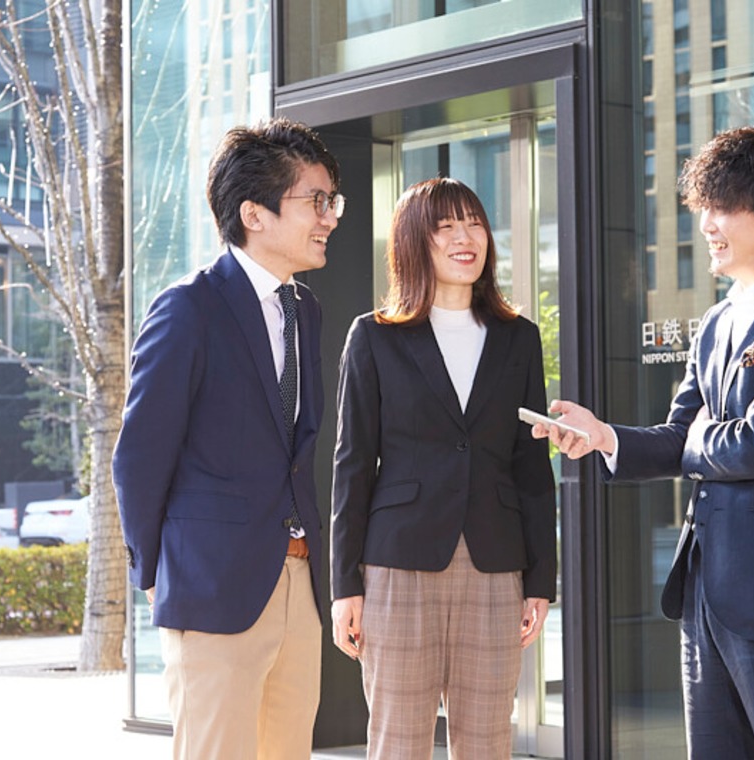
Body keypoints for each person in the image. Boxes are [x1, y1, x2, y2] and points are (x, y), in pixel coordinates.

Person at [534, 126, 754, 759]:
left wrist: (699, 436)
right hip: (707, 597)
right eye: (705, 208)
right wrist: (605, 438)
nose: (708, 224)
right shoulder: (718, 320)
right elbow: (678, 433)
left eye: (725, 208)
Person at [112, 117, 343, 760]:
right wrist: (156, 571)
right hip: (211, 587)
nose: (329, 217)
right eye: (315, 201)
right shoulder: (188, 308)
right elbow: (139, 456)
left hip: (298, 584)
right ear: (255, 213)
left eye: (333, 201)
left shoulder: (307, 310)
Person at [330, 177, 557, 760]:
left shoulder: (519, 338)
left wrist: (540, 581)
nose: (465, 238)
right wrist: (344, 586)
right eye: (445, 226)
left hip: (495, 563)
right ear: (413, 241)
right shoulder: (374, 336)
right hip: (398, 564)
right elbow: (352, 463)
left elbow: (532, 465)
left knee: (487, 741)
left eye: (474, 223)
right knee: (398, 740)